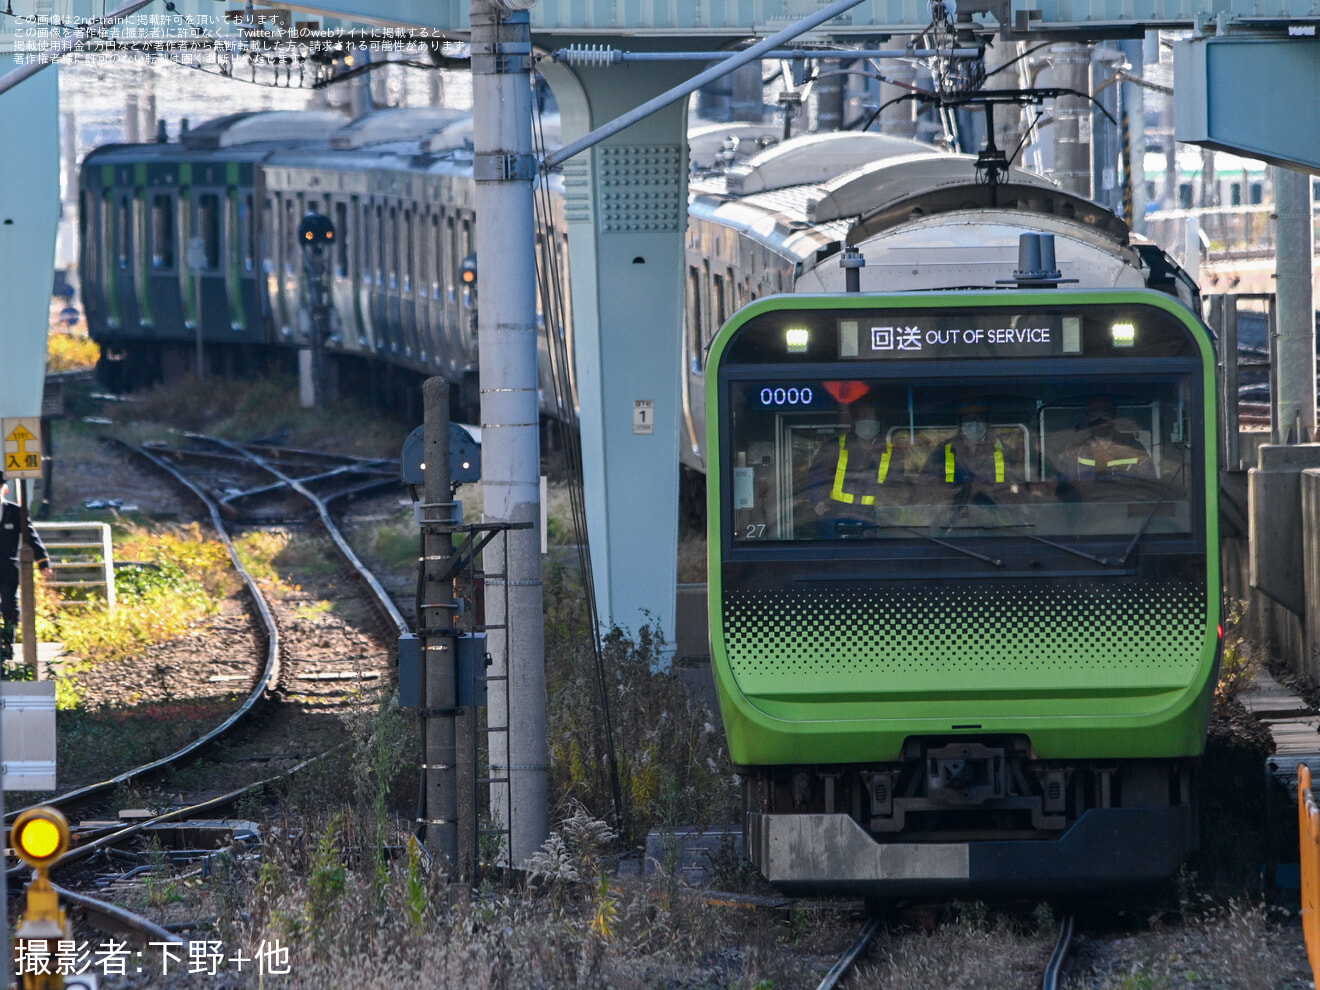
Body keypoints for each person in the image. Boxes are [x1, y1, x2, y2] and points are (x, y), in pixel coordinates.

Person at [807, 397, 905, 537]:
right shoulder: (834, 447)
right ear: (855, 420)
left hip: (874, 516)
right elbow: (817, 477)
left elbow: (897, 487)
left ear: (879, 421)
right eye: (863, 416)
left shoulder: (893, 452)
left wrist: (890, 511)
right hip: (835, 513)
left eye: (872, 417)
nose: (867, 421)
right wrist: (818, 502)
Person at [0, 476, 49, 664]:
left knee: (9, 606)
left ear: (4, 490)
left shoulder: (15, 512)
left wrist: (43, 562)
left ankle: (7, 644)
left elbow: (31, 537)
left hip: (8, 567)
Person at [926, 401, 1021, 494]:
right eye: (968, 420)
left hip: (993, 506)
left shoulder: (1005, 451)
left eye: (979, 419)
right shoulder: (943, 450)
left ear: (987, 422)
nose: (974, 425)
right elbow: (926, 484)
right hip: (954, 507)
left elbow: (1019, 487)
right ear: (960, 423)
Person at [1063, 397, 1154, 482]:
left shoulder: (1135, 449)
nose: (1099, 420)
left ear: (1113, 418)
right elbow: (1067, 490)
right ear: (1088, 419)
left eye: (1104, 415)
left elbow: (1149, 487)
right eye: (1094, 416)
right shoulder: (1074, 453)